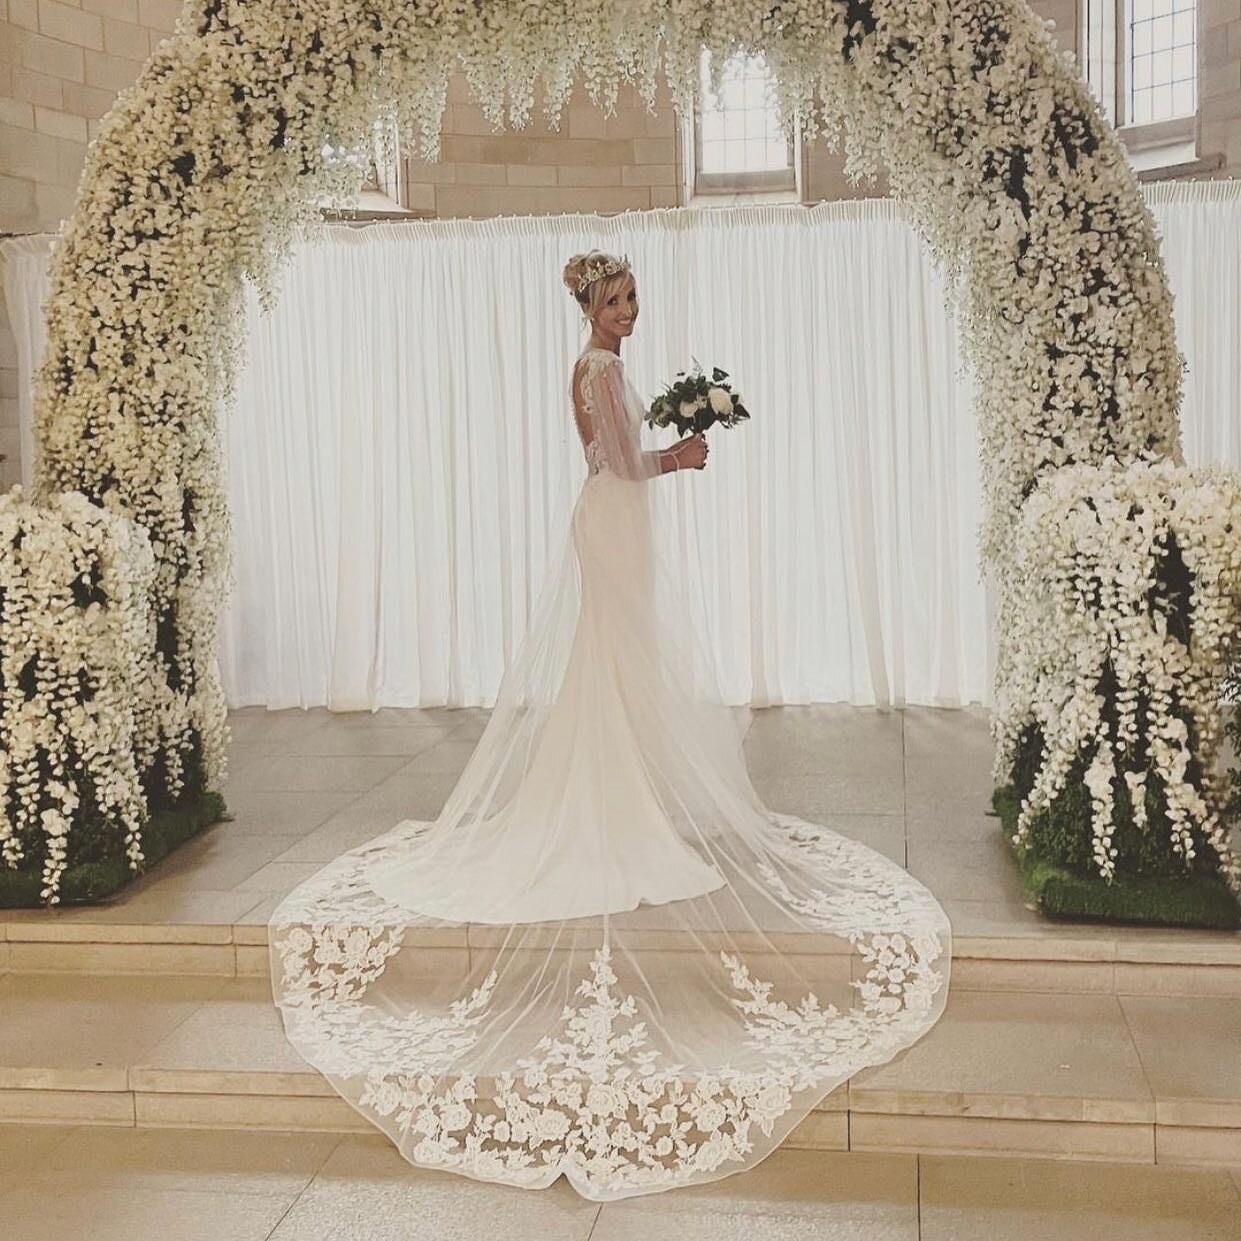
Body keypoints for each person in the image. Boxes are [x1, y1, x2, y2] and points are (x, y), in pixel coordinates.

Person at [269, 248, 953, 1202]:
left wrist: (671, 439)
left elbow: (620, 459)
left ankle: (628, 785)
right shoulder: (595, 369)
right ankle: (608, 802)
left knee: (623, 661)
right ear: (588, 307)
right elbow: (615, 459)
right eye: (614, 299)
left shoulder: (612, 367)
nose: (626, 310)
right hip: (613, 512)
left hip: (619, 517)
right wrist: (678, 451)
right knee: (616, 654)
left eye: (632, 298)